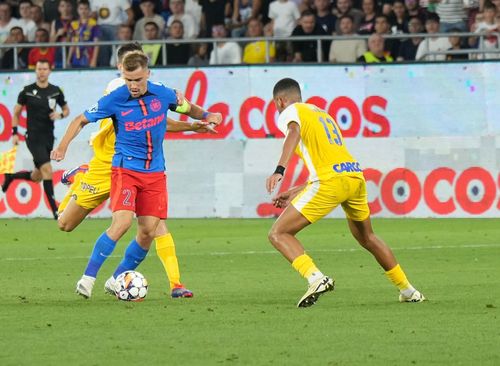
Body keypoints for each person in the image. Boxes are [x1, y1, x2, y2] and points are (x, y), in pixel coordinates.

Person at [51, 46, 222, 299]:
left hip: (154, 174)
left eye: (138, 80)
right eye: (129, 80)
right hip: (123, 169)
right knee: (109, 223)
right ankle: (87, 279)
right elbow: (80, 120)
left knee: (148, 231)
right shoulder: (115, 96)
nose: (132, 85)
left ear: (148, 74)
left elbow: (185, 108)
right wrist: (62, 146)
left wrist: (207, 115)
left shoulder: (163, 94)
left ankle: (116, 279)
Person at [265, 78, 425, 307]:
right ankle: (408, 290)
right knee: (367, 237)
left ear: (279, 101)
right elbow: (331, 163)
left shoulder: (290, 112)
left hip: (331, 182)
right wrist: (296, 190)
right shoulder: (321, 114)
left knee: (278, 233)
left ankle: (315, 278)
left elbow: (293, 132)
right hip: (354, 178)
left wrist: (279, 170)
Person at [2, 59, 70, 219]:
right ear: (36, 71)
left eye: (44, 69)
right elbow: (16, 112)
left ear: (49, 71)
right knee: (47, 169)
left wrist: (60, 115)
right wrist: (14, 133)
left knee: (37, 176)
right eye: (39, 69)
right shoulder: (27, 91)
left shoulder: (55, 91)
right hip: (32, 137)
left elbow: (66, 110)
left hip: (48, 137)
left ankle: (11, 177)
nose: (41, 72)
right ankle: (55, 211)